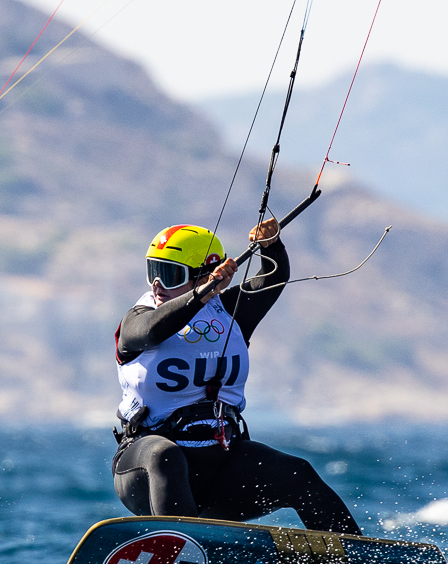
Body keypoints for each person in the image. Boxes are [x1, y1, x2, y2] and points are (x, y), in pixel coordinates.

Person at [111, 219, 362, 535]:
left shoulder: (232, 313)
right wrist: (199, 295)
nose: (157, 285)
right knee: (166, 455)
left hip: (218, 470)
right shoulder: (139, 318)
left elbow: (272, 278)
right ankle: (183, 556)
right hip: (146, 471)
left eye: (171, 274)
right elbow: (152, 331)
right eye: (153, 271)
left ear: (205, 275)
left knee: (298, 473)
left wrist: (272, 246)